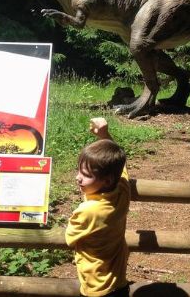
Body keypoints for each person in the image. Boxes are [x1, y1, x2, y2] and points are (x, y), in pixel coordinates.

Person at [65, 117, 130, 297]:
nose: (78, 177)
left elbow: (70, 238)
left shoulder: (88, 211)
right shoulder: (122, 191)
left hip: (96, 288)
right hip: (119, 284)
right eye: (78, 170)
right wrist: (105, 135)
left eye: (86, 175)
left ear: (106, 180)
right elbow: (121, 167)